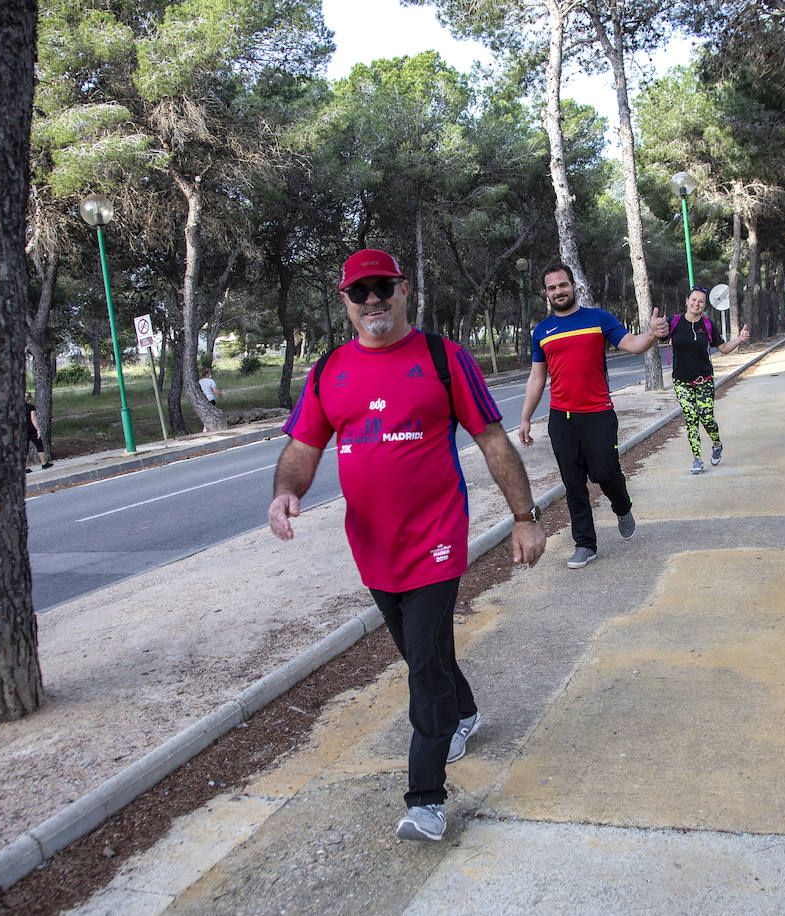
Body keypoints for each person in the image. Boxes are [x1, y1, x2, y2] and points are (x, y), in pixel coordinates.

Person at [267, 248, 546, 844]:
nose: (373, 300)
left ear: (404, 290)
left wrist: (525, 517)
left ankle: (426, 799)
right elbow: (303, 446)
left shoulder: (444, 359)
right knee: (425, 651)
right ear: (345, 302)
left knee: (421, 665)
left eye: (382, 288)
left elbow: (492, 440)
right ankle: (465, 712)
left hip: (437, 540)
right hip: (372, 548)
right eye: (359, 291)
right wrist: (286, 492)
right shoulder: (328, 370)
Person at [518, 263, 667, 569]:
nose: (558, 291)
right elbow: (536, 378)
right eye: (551, 288)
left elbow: (632, 344)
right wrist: (525, 418)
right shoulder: (542, 331)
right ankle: (585, 544)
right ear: (546, 293)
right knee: (573, 484)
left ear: (573, 286)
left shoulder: (598, 318)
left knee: (605, 473)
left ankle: (622, 505)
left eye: (563, 285)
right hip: (562, 418)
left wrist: (652, 335)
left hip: (598, 413)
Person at [668, 286, 750, 474]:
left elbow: (723, 348)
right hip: (681, 382)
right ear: (686, 301)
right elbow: (656, 334)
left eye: (701, 301)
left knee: (706, 418)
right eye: (693, 300)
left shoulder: (708, 325)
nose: (696, 304)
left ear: (704, 305)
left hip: (703, 380)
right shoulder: (674, 322)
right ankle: (697, 458)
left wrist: (739, 339)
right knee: (691, 418)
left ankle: (716, 443)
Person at [24, 392, 53, 472]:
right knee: (39, 445)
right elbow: (33, 419)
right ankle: (44, 463)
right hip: (31, 429)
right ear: (29, 399)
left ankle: (26, 468)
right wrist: (38, 429)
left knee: (25, 449)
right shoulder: (31, 407)